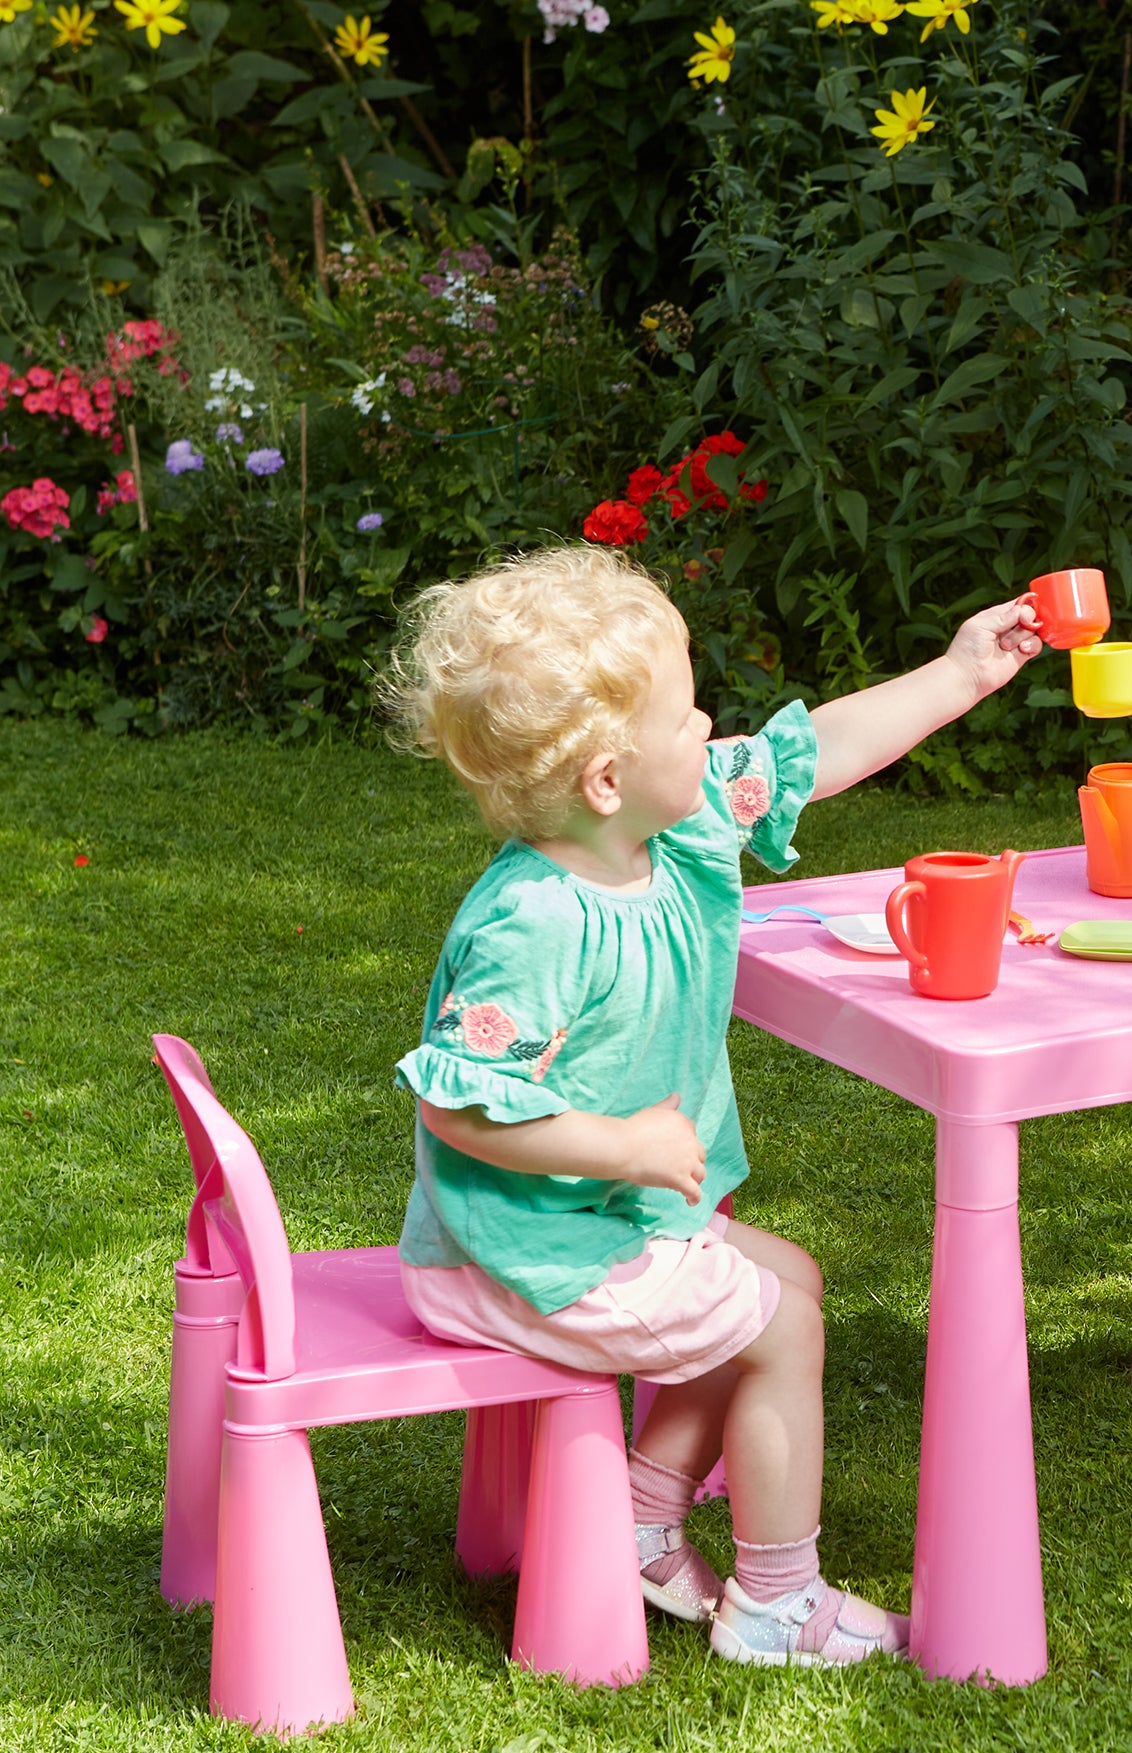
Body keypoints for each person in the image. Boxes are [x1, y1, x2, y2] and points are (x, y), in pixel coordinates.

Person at [382, 543, 1042, 1662]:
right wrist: (623, 1144)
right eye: (688, 714)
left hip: (595, 1229)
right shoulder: (534, 924)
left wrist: (962, 670)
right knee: (782, 1327)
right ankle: (777, 1600)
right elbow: (462, 1108)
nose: (709, 728)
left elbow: (812, 752)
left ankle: (639, 1516)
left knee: (791, 1279)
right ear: (606, 779)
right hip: (516, 1256)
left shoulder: (672, 828)